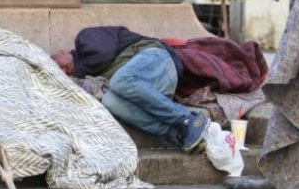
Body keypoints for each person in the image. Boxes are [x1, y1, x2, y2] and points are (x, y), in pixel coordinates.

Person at [53, 26, 209, 153]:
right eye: (61, 72)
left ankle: (186, 118)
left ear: (61, 52)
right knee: (109, 101)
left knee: (120, 81)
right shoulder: (90, 76)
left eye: (58, 65)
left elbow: (103, 54)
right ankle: (178, 133)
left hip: (157, 59)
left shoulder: (84, 39)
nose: (64, 71)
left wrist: (78, 72)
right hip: (150, 89)